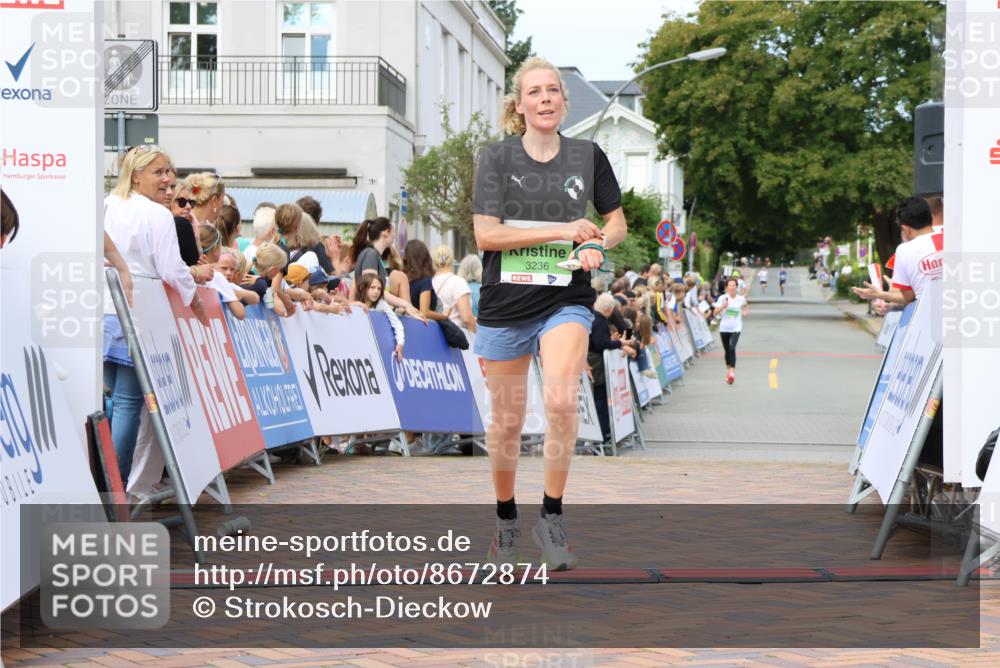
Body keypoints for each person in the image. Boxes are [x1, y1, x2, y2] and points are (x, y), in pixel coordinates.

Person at [473, 56, 627, 571]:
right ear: (520, 105)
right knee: (507, 424)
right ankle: (505, 522)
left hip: (565, 299)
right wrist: (562, 230)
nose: (545, 98)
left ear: (563, 101)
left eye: (553, 90)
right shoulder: (496, 159)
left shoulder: (587, 155)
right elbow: (486, 235)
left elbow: (616, 223)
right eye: (534, 91)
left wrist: (597, 246)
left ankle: (552, 517)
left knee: (562, 400)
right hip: (505, 303)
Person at [103, 146, 208, 484]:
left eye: (169, 171)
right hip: (135, 311)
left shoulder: (107, 204)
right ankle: (115, 489)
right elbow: (171, 269)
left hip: (101, 310)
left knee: (111, 401)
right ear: (136, 176)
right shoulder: (156, 215)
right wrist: (194, 300)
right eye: (158, 172)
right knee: (126, 404)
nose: (167, 179)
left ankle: (106, 481)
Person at [852, 197, 942, 305]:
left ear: (905, 229)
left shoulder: (905, 250)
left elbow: (908, 296)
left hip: (927, 315)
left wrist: (879, 294)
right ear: (930, 217)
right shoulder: (952, 236)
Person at [348, 217, 424, 319]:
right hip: (368, 317)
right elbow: (371, 288)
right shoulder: (370, 254)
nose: (395, 235)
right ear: (386, 232)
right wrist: (404, 304)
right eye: (393, 231)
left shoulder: (373, 255)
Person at [588, 293, 637, 442]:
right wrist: (625, 343)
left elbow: (626, 328)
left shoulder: (594, 310)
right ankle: (604, 432)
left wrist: (626, 343)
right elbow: (626, 327)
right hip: (603, 353)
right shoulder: (611, 313)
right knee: (602, 396)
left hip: (611, 345)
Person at [357, 272, 405, 360]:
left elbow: (397, 324)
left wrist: (400, 343)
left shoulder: (382, 304)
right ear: (362, 288)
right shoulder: (356, 304)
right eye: (372, 287)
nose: (376, 292)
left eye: (379, 289)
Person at [403, 239, 452, 322]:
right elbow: (424, 312)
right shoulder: (425, 281)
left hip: (407, 324)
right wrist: (443, 316)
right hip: (423, 327)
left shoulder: (405, 279)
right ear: (425, 257)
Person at [712, 278, 749, 384]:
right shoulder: (722, 298)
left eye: (734, 285)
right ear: (727, 287)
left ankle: (732, 373)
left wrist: (746, 312)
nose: (732, 287)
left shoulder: (741, 299)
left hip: (736, 328)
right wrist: (723, 306)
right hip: (724, 328)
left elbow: (746, 306)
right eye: (730, 285)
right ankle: (729, 372)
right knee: (727, 350)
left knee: (732, 348)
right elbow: (715, 313)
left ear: (736, 287)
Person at [432, 245, 477, 333]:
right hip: (456, 335)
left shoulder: (429, 282)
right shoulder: (458, 282)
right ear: (452, 260)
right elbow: (466, 318)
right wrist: (475, 335)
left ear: (434, 261)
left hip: (436, 334)